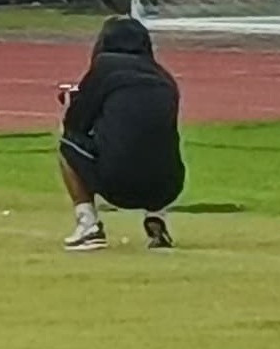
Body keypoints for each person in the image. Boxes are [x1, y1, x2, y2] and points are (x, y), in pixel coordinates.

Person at [58, 18, 185, 250]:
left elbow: (76, 123)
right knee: (157, 141)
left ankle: (88, 224)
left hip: (118, 183)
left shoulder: (105, 68)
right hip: (168, 185)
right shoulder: (165, 78)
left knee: (67, 145)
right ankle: (156, 218)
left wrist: (72, 101)